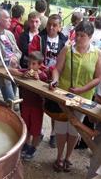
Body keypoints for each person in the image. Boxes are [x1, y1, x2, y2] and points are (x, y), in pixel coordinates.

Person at [49, 20, 101, 172]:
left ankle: (68, 157)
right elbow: (57, 69)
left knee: (74, 129)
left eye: (82, 35)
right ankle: (59, 157)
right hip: (63, 95)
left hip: (83, 98)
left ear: (91, 36)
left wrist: (82, 89)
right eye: (77, 34)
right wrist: (54, 79)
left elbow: (99, 77)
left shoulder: (98, 54)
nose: (78, 38)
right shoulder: (67, 49)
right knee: (61, 127)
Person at [29, 14, 68, 148]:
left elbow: (65, 62)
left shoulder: (65, 42)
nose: (51, 27)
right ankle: (36, 132)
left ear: (60, 27)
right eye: (49, 24)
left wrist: (55, 72)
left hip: (56, 79)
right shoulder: (38, 38)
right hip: (40, 76)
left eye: (54, 25)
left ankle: (53, 134)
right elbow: (33, 56)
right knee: (38, 105)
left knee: (54, 106)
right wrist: (46, 69)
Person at [9, 51, 48, 160]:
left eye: (34, 64)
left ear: (40, 65)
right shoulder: (26, 71)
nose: (30, 66)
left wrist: (38, 80)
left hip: (37, 106)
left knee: (35, 129)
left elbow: (45, 90)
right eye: (29, 63)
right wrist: (22, 74)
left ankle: (33, 147)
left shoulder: (42, 76)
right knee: (26, 126)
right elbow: (11, 71)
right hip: (25, 104)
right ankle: (26, 144)